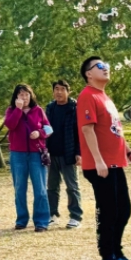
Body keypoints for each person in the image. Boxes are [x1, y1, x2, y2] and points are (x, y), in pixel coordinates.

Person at [77, 57, 131, 260]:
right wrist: (97, 160)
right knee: (108, 212)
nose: (106, 69)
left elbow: (115, 131)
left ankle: (117, 253)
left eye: (107, 65)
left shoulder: (105, 97)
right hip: (100, 165)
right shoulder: (87, 96)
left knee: (123, 210)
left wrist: (129, 152)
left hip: (115, 162)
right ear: (88, 74)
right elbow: (88, 130)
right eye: (100, 66)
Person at [4, 83, 51, 232]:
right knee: (19, 188)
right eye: (21, 94)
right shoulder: (11, 110)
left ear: (31, 96)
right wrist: (18, 110)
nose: (24, 97)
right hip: (18, 154)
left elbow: (48, 129)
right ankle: (21, 220)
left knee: (40, 189)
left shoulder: (38, 111)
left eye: (26, 94)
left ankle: (41, 221)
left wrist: (39, 133)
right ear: (16, 97)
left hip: (36, 154)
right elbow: (10, 125)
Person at [45, 79, 83, 229]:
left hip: (69, 153)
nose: (59, 92)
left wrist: (79, 153)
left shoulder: (75, 108)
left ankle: (75, 216)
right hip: (51, 153)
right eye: (56, 89)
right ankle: (52, 214)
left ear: (68, 91)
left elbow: (80, 132)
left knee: (72, 187)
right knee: (52, 186)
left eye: (62, 89)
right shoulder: (50, 107)